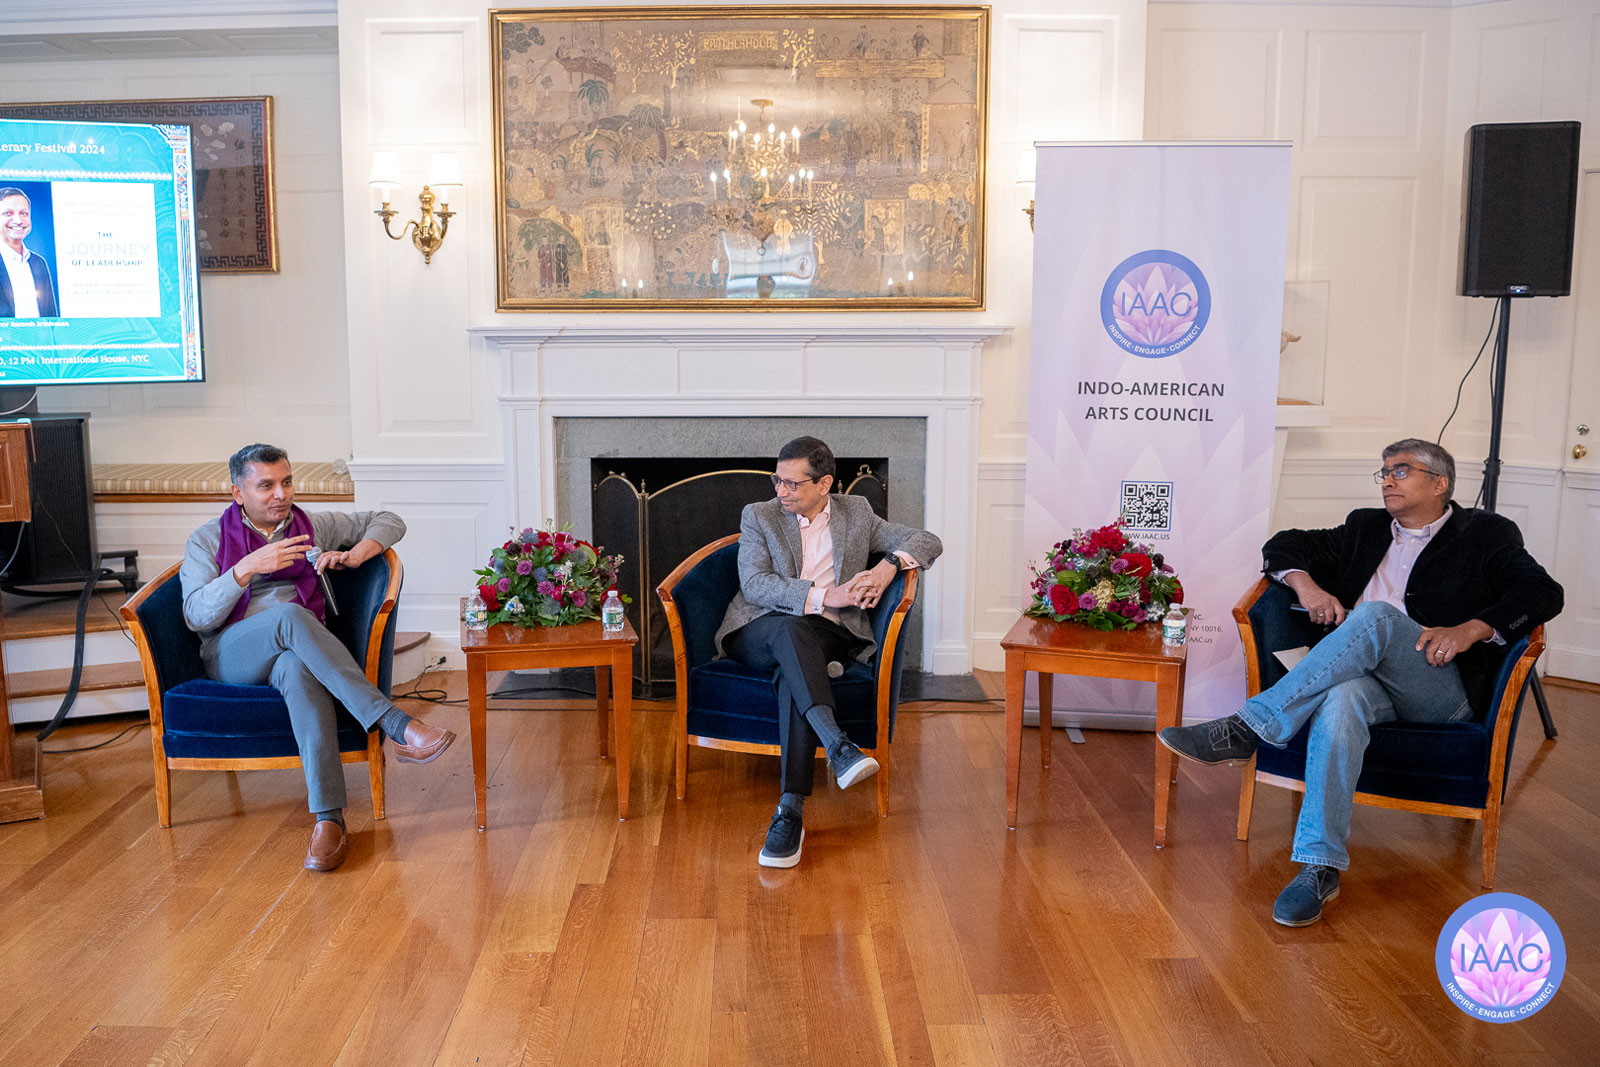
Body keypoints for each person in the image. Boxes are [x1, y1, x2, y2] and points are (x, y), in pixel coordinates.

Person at [1157, 438, 1562, 926]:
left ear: (1440, 483)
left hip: (1440, 687)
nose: (1387, 480)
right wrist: (1307, 586)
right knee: (1342, 699)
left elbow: (1543, 592)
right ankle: (1319, 867)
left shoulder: (1486, 534)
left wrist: (1470, 630)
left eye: (1401, 470)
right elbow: (1284, 543)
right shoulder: (1365, 527)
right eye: (1384, 471)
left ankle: (1248, 727)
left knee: (1374, 616)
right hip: (1368, 685)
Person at [179, 443, 456, 872]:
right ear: (238, 493)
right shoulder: (207, 539)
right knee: (289, 616)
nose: (281, 494)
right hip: (232, 652)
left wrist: (357, 553)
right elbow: (195, 615)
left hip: (296, 650)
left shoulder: (312, 526)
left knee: (297, 669)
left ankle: (329, 819)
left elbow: (389, 520)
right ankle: (396, 724)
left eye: (286, 482)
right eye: (266, 485)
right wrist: (245, 568)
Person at [714, 436, 942, 868]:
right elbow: (755, 584)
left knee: (794, 668)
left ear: (824, 484)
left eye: (792, 484)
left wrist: (887, 566)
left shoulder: (857, 513)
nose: (780, 491)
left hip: (829, 633)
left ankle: (790, 811)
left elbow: (927, 540)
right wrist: (822, 596)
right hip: (759, 627)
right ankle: (838, 746)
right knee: (790, 632)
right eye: (777, 480)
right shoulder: (759, 515)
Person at [0, 188, 58, 318]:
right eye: (8, 213)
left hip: (39, 332)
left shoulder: (39, 262)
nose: (18, 220)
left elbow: (51, 316)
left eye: (24, 213)